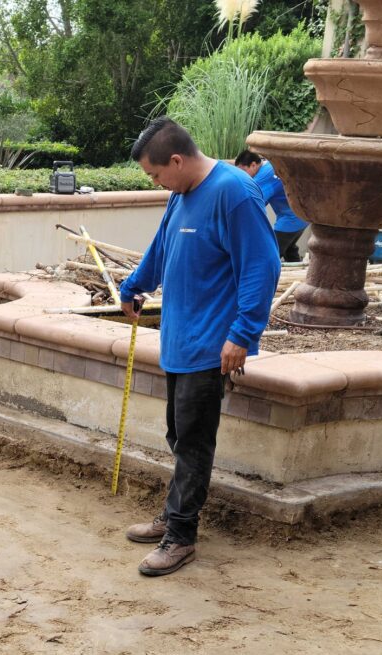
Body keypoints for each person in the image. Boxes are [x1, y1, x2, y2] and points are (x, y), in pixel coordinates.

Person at [120, 118, 280, 577]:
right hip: (178, 341)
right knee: (179, 435)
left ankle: (181, 536)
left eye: (156, 175)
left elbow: (262, 268)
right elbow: (161, 249)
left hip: (211, 346)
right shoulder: (181, 195)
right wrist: (135, 285)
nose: (156, 183)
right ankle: (175, 514)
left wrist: (242, 335)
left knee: (192, 442)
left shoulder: (235, 194)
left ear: (176, 160)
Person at [234, 149, 306, 262]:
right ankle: (302, 275)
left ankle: (264, 279)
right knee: (290, 251)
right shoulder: (269, 166)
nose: (242, 176)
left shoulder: (262, 177)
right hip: (301, 215)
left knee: (269, 256)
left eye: (243, 171)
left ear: (253, 165)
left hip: (291, 219)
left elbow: (252, 203)